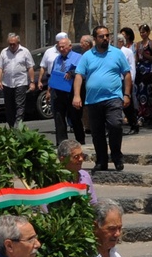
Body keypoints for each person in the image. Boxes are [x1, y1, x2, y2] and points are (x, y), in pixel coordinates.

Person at [72, 25, 132, 172]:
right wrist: (77, 95)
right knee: (97, 132)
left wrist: (127, 94)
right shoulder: (87, 56)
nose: (105, 38)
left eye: (107, 35)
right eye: (101, 36)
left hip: (113, 98)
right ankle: (101, 160)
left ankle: (117, 156)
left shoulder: (117, 54)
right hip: (93, 101)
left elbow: (127, 74)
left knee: (115, 125)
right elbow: (79, 75)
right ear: (95, 39)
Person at [48, 36, 84, 144]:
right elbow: (53, 74)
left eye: (63, 47)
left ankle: (80, 141)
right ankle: (61, 143)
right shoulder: (57, 59)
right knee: (58, 117)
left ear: (70, 46)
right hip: (58, 91)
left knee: (75, 118)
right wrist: (49, 90)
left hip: (72, 91)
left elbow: (81, 72)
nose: (61, 49)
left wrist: (71, 73)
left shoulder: (78, 57)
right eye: (59, 47)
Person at [0, 33, 36, 126]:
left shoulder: (25, 52)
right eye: (10, 44)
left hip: (20, 83)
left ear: (18, 42)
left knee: (19, 106)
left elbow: (30, 67)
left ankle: (18, 127)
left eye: (14, 44)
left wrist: (32, 82)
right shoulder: (4, 52)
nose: (12, 46)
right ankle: (11, 127)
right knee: (9, 107)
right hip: (7, 83)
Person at [134, 24, 152, 125]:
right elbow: (136, 58)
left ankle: (147, 114)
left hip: (148, 70)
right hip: (139, 70)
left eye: (144, 32)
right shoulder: (138, 44)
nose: (142, 34)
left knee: (146, 92)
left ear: (148, 32)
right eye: (141, 32)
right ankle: (139, 113)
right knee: (138, 92)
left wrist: (146, 55)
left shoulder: (151, 44)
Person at [57, 139, 96, 204]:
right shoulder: (55, 179)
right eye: (76, 157)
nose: (81, 159)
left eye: (82, 155)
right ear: (63, 159)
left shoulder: (85, 175)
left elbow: (93, 203)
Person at [115, 32, 139, 134]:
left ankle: (134, 124)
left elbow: (131, 66)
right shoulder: (113, 52)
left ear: (121, 41)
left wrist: (131, 79)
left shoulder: (127, 51)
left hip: (125, 80)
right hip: (116, 80)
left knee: (128, 105)